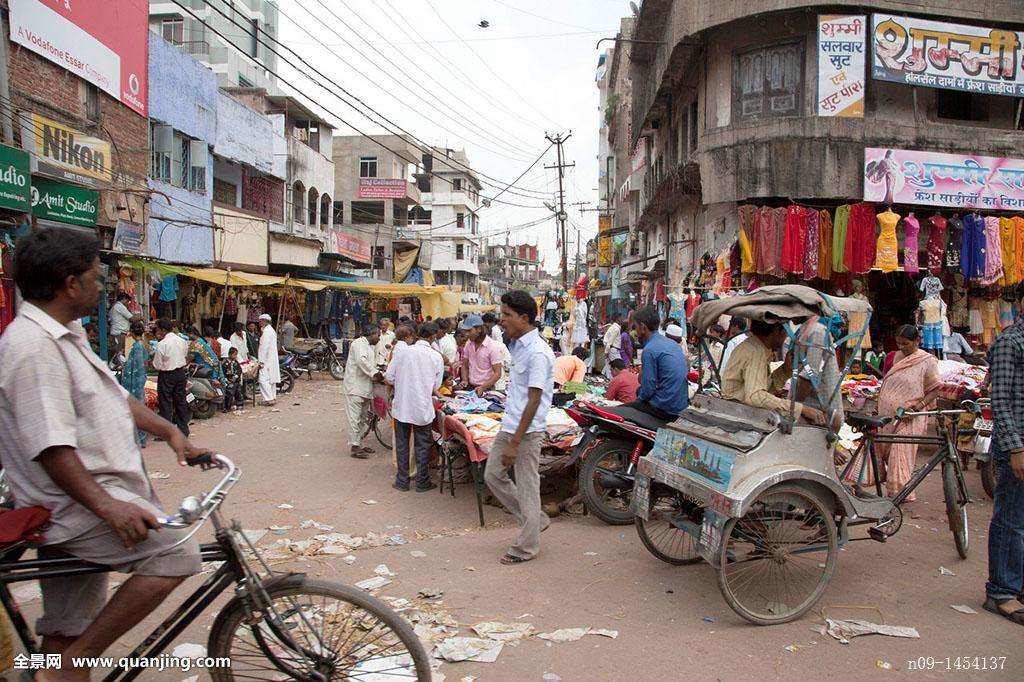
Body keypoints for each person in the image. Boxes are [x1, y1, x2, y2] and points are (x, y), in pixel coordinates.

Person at [0, 228, 206, 681]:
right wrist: (110, 508)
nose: (103, 285)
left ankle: (60, 665)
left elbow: (114, 397)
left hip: (83, 503)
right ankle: (70, 667)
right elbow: (52, 447)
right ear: (69, 284)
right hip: (76, 510)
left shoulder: (67, 332)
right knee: (177, 553)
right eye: (96, 277)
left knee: (63, 630)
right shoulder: (32, 347)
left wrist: (170, 430)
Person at [484, 291, 554, 564]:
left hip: (527, 431)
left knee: (527, 486)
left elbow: (535, 399)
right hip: (510, 424)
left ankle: (526, 547)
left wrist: (515, 442)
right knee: (492, 474)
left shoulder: (538, 352)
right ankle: (536, 520)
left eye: (507, 316)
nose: (502, 321)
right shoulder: (518, 346)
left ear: (524, 318)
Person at [984, 312, 1024, 625]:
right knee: (1010, 519)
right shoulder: (1010, 342)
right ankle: (1001, 592)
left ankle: (1016, 583)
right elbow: (1001, 400)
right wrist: (1015, 448)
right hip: (1017, 447)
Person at [721, 319, 826, 425]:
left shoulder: (759, 348)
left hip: (743, 408)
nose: (786, 338)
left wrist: (786, 370)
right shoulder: (755, 352)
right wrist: (800, 409)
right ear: (777, 331)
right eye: (785, 333)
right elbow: (756, 397)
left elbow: (765, 387)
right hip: (738, 410)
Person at [385, 322, 443, 492]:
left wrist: (403, 383)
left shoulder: (402, 352)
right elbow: (435, 386)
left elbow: (389, 376)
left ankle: (402, 481)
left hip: (402, 406)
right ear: (432, 337)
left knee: (402, 444)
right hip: (422, 407)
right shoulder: (435, 356)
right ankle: (422, 481)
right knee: (422, 445)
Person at [609, 307, 688, 427]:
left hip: (663, 409)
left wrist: (637, 401)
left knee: (613, 414)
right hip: (679, 406)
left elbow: (648, 389)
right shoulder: (672, 344)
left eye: (635, 327)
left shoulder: (650, 349)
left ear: (642, 327)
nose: (634, 333)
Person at [343, 324, 381, 459]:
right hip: (355, 387)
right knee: (354, 418)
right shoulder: (358, 344)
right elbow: (361, 361)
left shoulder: (370, 347)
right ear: (372, 333)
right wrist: (375, 373)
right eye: (378, 334)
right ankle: (354, 446)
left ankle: (358, 443)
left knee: (362, 418)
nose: (379, 337)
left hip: (364, 387)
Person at [153, 318, 191, 437]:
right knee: (180, 401)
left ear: (163, 330)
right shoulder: (181, 340)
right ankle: (184, 430)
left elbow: (157, 364)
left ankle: (167, 433)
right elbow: (185, 355)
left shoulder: (162, 344)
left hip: (167, 375)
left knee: (165, 403)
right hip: (180, 373)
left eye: (159, 329)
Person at [120, 321, 149, 447]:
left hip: (134, 384)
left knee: (135, 410)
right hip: (137, 382)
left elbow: (136, 368)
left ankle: (138, 438)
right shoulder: (141, 346)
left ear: (132, 332)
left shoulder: (137, 347)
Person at [460, 313, 502, 396]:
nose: (466, 334)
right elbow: (464, 365)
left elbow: (497, 373)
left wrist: (483, 387)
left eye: (469, 331)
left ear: (479, 329)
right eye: (465, 331)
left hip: (487, 389)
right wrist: (464, 380)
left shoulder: (492, 346)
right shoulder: (469, 344)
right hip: (470, 387)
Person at [257, 313, 280, 406]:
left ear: (264, 321)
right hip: (272, 359)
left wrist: (261, 361)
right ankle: (272, 397)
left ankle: (268, 399)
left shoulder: (267, 332)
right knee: (271, 379)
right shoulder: (271, 331)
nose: (259, 323)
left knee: (263, 379)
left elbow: (264, 348)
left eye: (260, 321)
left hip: (266, 360)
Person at [221, 347, 244, 412]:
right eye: (234, 354)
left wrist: (236, 377)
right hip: (228, 381)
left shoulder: (236, 362)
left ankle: (240, 405)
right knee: (229, 394)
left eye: (236, 354)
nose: (235, 356)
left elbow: (239, 370)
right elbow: (222, 373)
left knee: (238, 393)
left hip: (236, 381)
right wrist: (226, 380)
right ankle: (227, 407)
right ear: (229, 354)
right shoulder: (225, 363)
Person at [602, 314, 622, 379]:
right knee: (618, 365)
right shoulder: (616, 329)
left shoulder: (613, 327)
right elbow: (610, 341)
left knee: (608, 364)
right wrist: (606, 351)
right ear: (617, 319)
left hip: (611, 348)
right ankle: (612, 379)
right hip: (613, 349)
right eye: (620, 318)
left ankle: (608, 378)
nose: (621, 319)